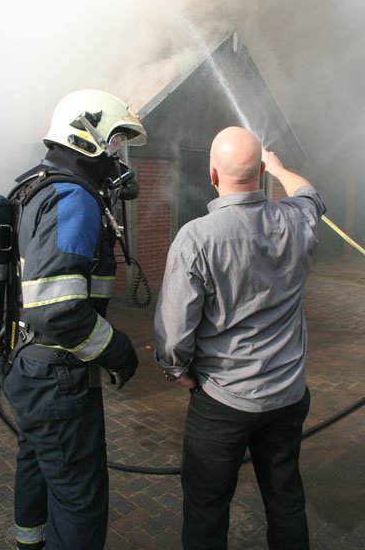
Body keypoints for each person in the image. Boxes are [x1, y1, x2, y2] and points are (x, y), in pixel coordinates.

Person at [154, 126, 325, 550]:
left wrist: (177, 371)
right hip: (287, 396)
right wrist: (280, 168)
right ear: (261, 174)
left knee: (206, 512)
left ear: (212, 175)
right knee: (286, 502)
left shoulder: (196, 238)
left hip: (222, 402)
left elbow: (174, 333)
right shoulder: (297, 221)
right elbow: (309, 193)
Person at [0, 89, 147, 550]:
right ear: (85, 136)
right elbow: (57, 307)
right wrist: (117, 350)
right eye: (115, 141)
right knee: (80, 496)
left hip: (25, 363)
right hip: (56, 377)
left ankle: (30, 543)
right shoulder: (74, 198)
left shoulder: (38, 185)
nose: (119, 155)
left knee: (37, 462)